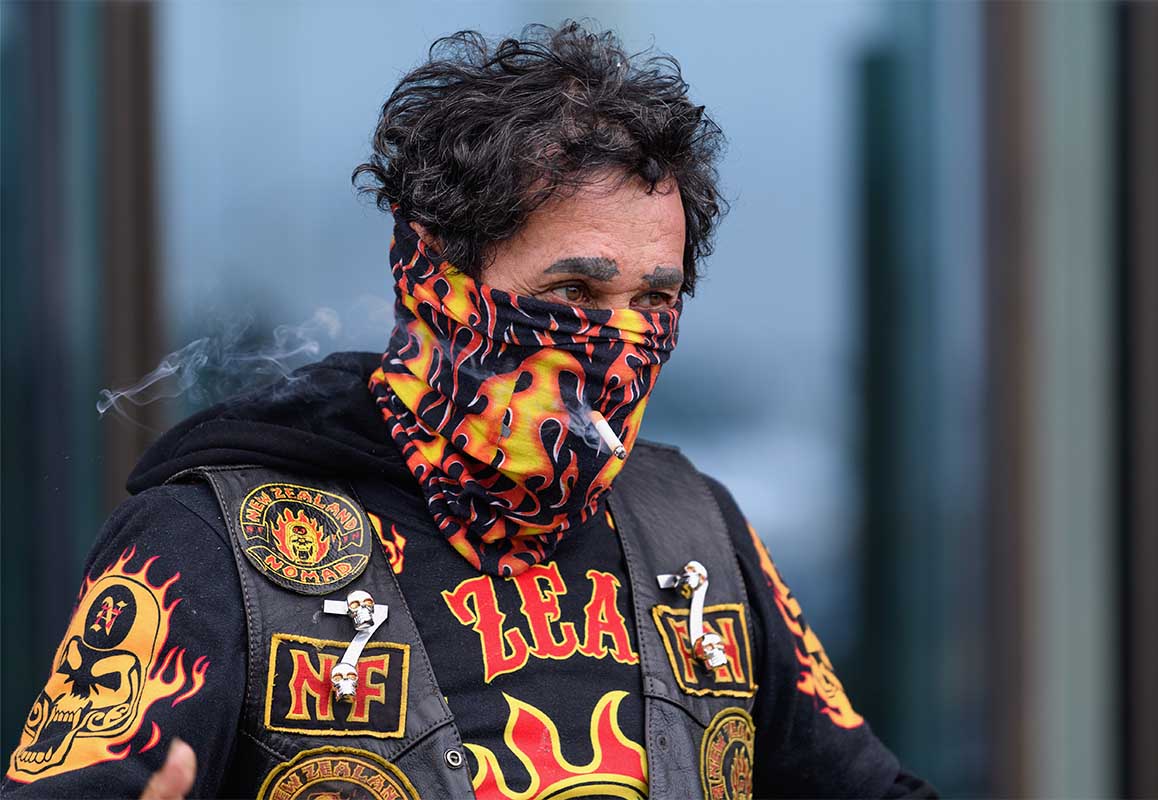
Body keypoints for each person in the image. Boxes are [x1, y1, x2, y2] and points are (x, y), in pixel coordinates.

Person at [3, 21, 937, 800]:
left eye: (655, 301)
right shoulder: (208, 545)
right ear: (439, 285)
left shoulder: (695, 530)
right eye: (573, 290)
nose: (617, 344)